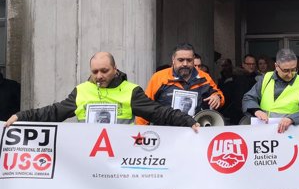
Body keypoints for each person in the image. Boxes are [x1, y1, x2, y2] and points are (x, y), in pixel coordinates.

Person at [3, 52, 198, 130]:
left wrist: (187, 120)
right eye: (95, 71)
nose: (99, 75)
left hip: (122, 159)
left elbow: (158, 112)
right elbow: (54, 112)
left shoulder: (130, 91)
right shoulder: (81, 91)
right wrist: (22, 116)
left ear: (115, 69)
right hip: (88, 160)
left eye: (104, 71)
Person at [136, 43, 224, 125]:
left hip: (196, 131)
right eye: (181, 60)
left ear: (193, 60)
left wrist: (217, 97)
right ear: (173, 59)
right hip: (165, 132)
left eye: (189, 60)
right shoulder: (159, 77)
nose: (185, 64)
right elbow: (146, 107)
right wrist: (140, 133)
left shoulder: (205, 77)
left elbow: (219, 95)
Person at [242, 48, 299, 133]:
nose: (290, 75)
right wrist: (256, 111)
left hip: (290, 133)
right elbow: (248, 98)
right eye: (286, 70)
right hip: (264, 133)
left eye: (294, 70)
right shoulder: (266, 78)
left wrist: (292, 119)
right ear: (276, 67)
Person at [220, 54, 261, 125]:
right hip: (237, 117)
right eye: (248, 64)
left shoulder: (259, 79)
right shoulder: (233, 79)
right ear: (243, 64)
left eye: (253, 64)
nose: (251, 66)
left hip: (255, 115)